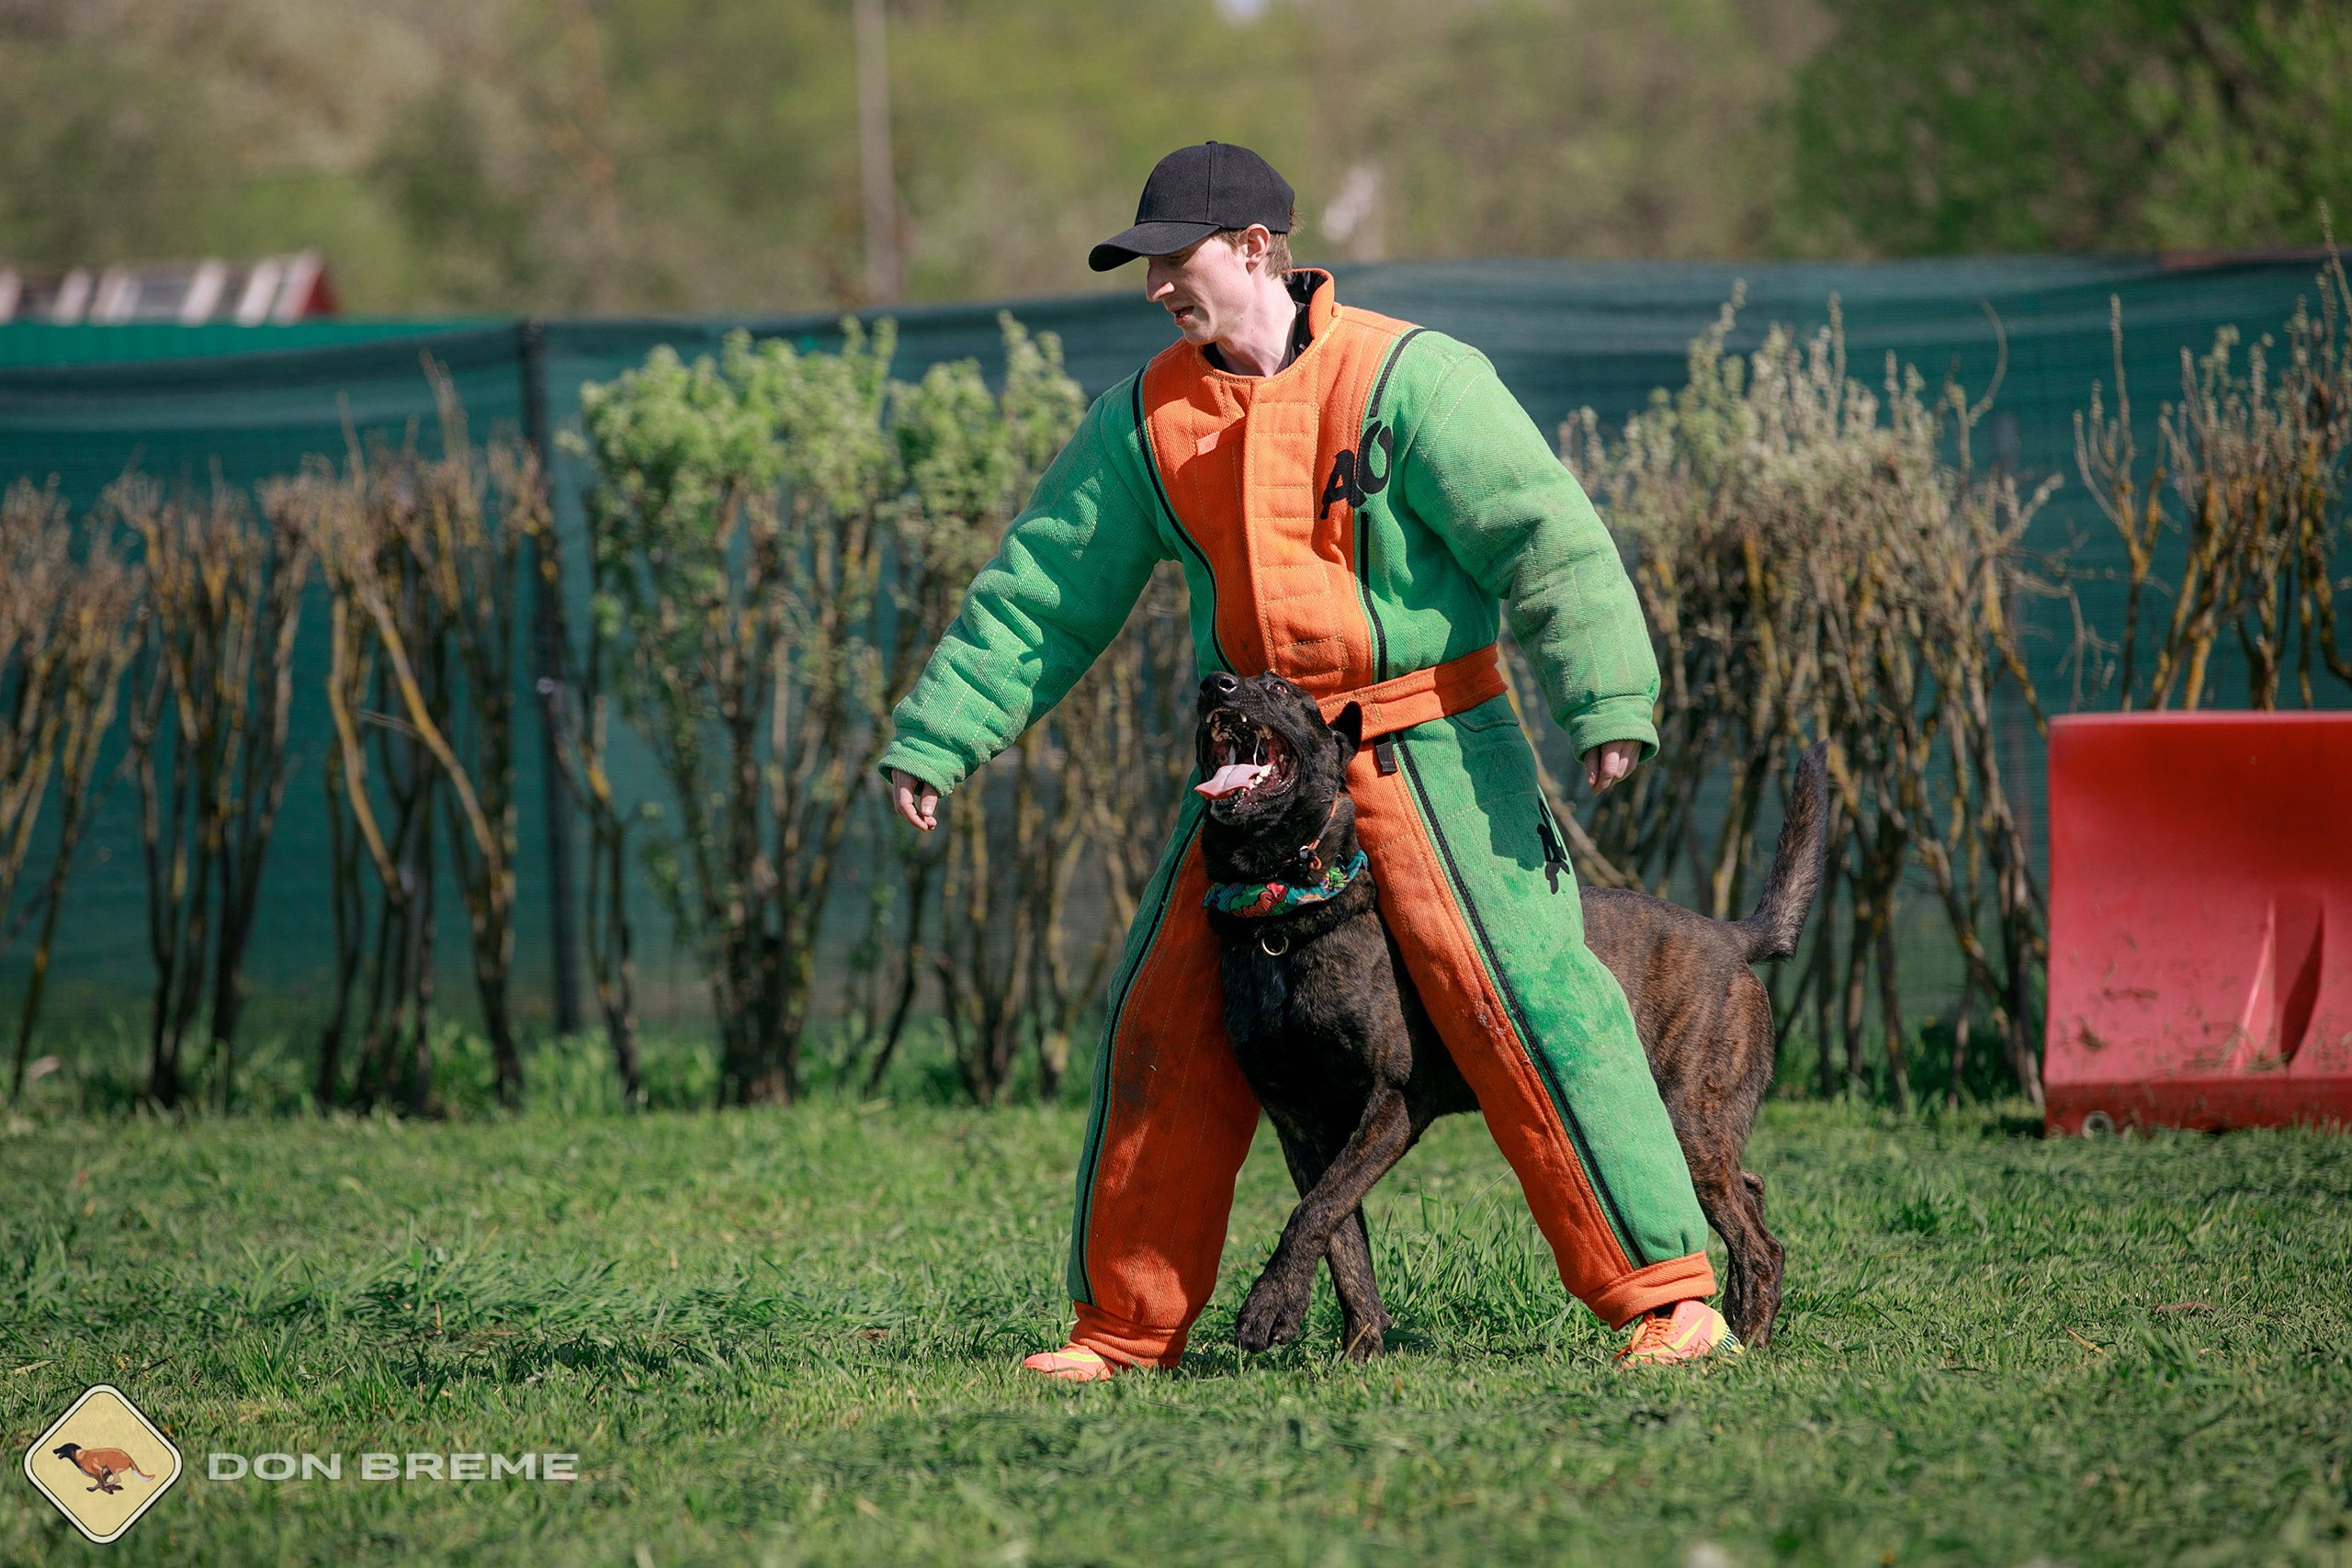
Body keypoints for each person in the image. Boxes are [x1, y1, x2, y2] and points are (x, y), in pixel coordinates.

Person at [879, 141, 1738, 1376]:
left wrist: (1607, 697)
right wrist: (942, 735)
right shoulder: (1149, 418)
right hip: (1262, 766)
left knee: (1538, 1003)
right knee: (1159, 1020)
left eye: (1177, 261)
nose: (1159, 288)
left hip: (1435, 740)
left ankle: (1668, 1299)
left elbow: (1545, 538)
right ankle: (1123, 1331)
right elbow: (1041, 594)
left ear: (1258, 252)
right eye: (1148, 267)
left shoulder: (1413, 378)